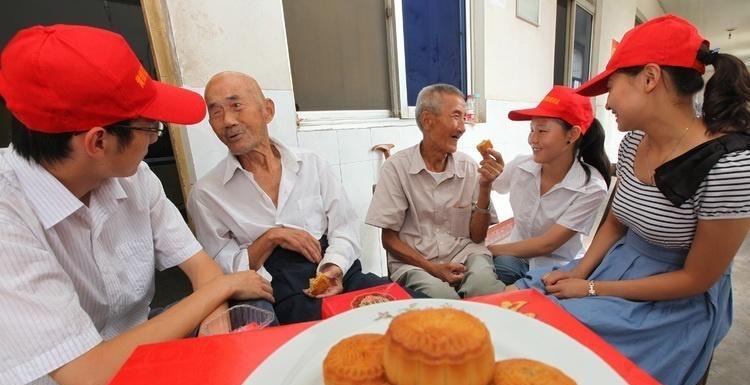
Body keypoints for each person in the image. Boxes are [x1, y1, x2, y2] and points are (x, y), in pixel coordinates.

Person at [0, 25, 274, 385]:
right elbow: (89, 377)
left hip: (134, 342)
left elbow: (199, 266)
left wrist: (216, 318)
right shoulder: (8, 215)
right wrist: (225, 285)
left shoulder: (135, 178)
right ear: (98, 141)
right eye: (150, 127)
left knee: (251, 308)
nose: (152, 137)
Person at [511, 15, 750, 385]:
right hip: (614, 266)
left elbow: (697, 278)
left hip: (673, 295)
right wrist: (580, 272)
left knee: (582, 367)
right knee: (528, 308)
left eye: (612, 86)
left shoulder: (730, 165)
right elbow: (617, 220)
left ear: (649, 78)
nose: (607, 102)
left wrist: (590, 289)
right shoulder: (634, 139)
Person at [188, 71, 395, 324]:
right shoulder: (207, 193)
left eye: (236, 105)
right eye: (216, 112)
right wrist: (271, 238)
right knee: (330, 338)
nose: (228, 120)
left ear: (267, 110)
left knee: (402, 309)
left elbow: (344, 226)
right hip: (278, 293)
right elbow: (221, 269)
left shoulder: (311, 164)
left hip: (337, 271)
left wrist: (333, 268)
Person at [365, 83, 506, 299]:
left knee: (486, 291)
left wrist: (485, 187)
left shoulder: (468, 167)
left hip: (465, 254)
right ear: (428, 120)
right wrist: (433, 269)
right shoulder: (396, 169)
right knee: (442, 301)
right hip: (417, 264)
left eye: (464, 117)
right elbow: (389, 240)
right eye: (456, 116)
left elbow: (477, 237)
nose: (462, 127)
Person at [488, 86, 610, 284]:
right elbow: (496, 185)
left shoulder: (591, 187)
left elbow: (547, 245)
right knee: (493, 274)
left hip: (558, 268)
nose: (533, 139)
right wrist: (489, 175)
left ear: (572, 135)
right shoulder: (522, 165)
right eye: (532, 130)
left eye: (542, 131)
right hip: (514, 258)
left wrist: (486, 251)